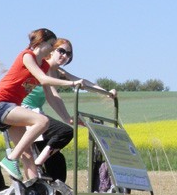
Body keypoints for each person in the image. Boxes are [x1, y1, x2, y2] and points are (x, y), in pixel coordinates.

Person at [0, 28, 84, 180]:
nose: (52, 48)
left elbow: (51, 96)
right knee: (42, 121)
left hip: (13, 107)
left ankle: (34, 188)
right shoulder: (27, 56)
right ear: (41, 42)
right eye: (51, 44)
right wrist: (71, 83)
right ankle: (11, 159)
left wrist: (67, 118)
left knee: (28, 154)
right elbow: (43, 79)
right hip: (0, 104)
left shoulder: (44, 66)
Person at [21, 38, 116, 178]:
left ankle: (55, 193)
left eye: (68, 54)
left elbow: (82, 82)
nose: (65, 56)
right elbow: (52, 96)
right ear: (52, 50)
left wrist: (107, 92)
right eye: (61, 51)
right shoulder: (43, 68)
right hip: (24, 111)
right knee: (64, 132)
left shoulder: (58, 72)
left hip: (36, 113)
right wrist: (67, 119)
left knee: (57, 160)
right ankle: (37, 165)